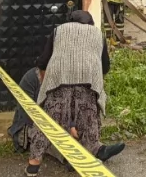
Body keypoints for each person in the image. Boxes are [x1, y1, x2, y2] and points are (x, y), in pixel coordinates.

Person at [27, 10, 123, 176]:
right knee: (88, 120)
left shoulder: (59, 30)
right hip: (87, 82)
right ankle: (90, 157)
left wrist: (45, 81)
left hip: (58, 82)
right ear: (90, 23)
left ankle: (33, 166)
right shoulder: (97, 34)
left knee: (48, 124)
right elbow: (105, 66)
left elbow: (43, 61)